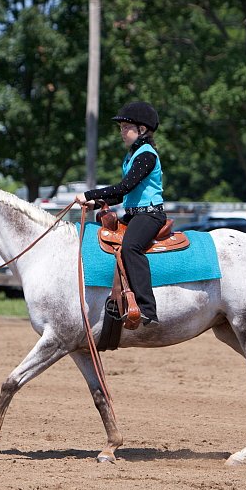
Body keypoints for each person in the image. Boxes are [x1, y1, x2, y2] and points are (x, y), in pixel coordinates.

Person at [75, 101, 165, 327]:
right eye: (121, 128)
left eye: (126, 127)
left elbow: (124, 187)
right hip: (134, 214)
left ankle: (147, 309)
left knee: (131, 247)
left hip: (150, 215)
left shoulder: (147, 155)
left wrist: (89, 193)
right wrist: (95, 203)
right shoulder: (132, 156)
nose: (122, 132)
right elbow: (124, 195)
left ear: (142, 130)